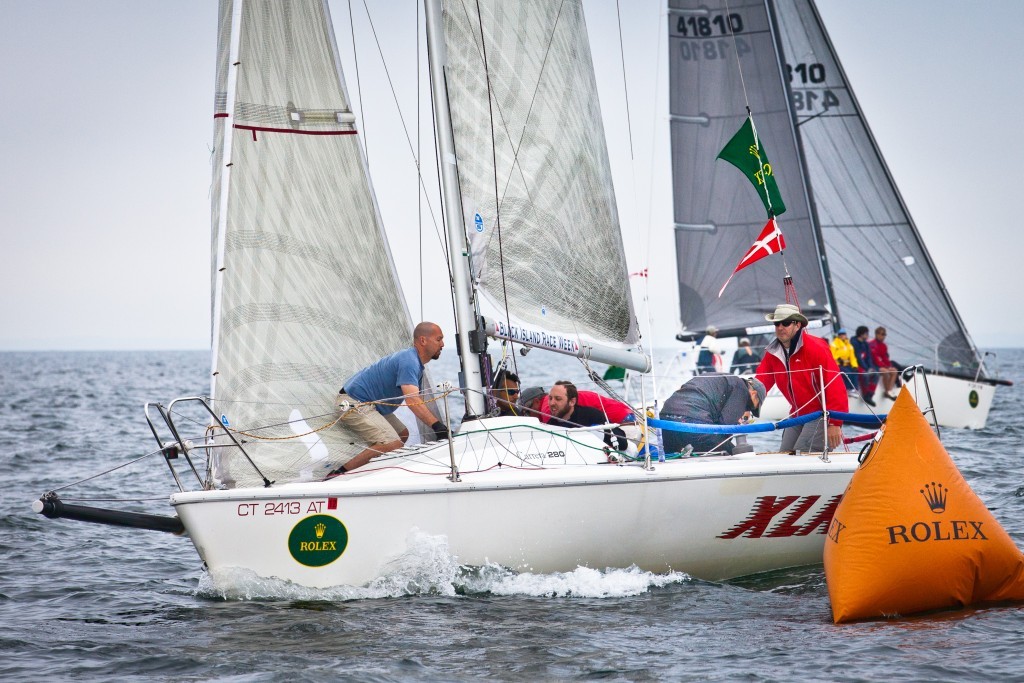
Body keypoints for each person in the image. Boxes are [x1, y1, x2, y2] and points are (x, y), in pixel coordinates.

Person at [328, 322, 447, 476]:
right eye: (439, 339)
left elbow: (414, 400)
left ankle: (377, 470)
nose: (443, 344)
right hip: (353, 402)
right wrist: (438, 427)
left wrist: (437, 426)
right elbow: (413, 401)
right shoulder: (409, 361)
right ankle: (337, 475)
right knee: (392, 443)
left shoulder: (413, 361)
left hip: (371, 404)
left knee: (403, 434)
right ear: (423, 341)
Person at [755, 304, 848, 453]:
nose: (780, 327)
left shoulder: (817, 347)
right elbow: (760, 381)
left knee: (802, 453)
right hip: (797, 414)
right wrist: (747, 404)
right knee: (784, 454)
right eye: (777, 323)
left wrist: (835, 423)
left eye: (785, 323)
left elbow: (834, 384)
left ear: (798, 325)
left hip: (821, 414)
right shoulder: (773, 352)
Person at [660, 374, 766, 454]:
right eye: (751, 408)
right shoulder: (741, 389)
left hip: (666, 419)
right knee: (730, 452)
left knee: (671, 457)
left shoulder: (723, 379)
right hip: (691, 421)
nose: (747, 409)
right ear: (753, 394)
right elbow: (725, 427)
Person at [546, 381, 628, 451]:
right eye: (550, 398)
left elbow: (623, 443)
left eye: (558, 399)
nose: (551, 403)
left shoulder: (592, 416)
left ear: (572, 401)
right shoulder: (550, 424)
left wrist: (599, 433)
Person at [870, 326, 899, 400]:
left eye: (884, 335)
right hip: (874, 365)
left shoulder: (884, 346)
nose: (884, 336)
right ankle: (887, 391)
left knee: (894, 371)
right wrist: (884, 366)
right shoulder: (872, 344)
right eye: (882, 334)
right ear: (877, 334)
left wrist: (889, 365)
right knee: (885, 372)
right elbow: (875, 358)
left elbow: (885, 358)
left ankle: (889, 390)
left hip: (881, 365)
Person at [851, 325, 877, 406]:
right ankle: (865, 395)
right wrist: (866, 368)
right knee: (864, 375)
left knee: (876, 374)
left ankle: (870, 394)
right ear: (861, 334)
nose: (867, 335)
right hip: (856, 365)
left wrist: (870, 367)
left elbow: (868, 357)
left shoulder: (866, 344)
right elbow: (858, 357)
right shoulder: (854, 342)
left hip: (865, 365)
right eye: (866, 334)